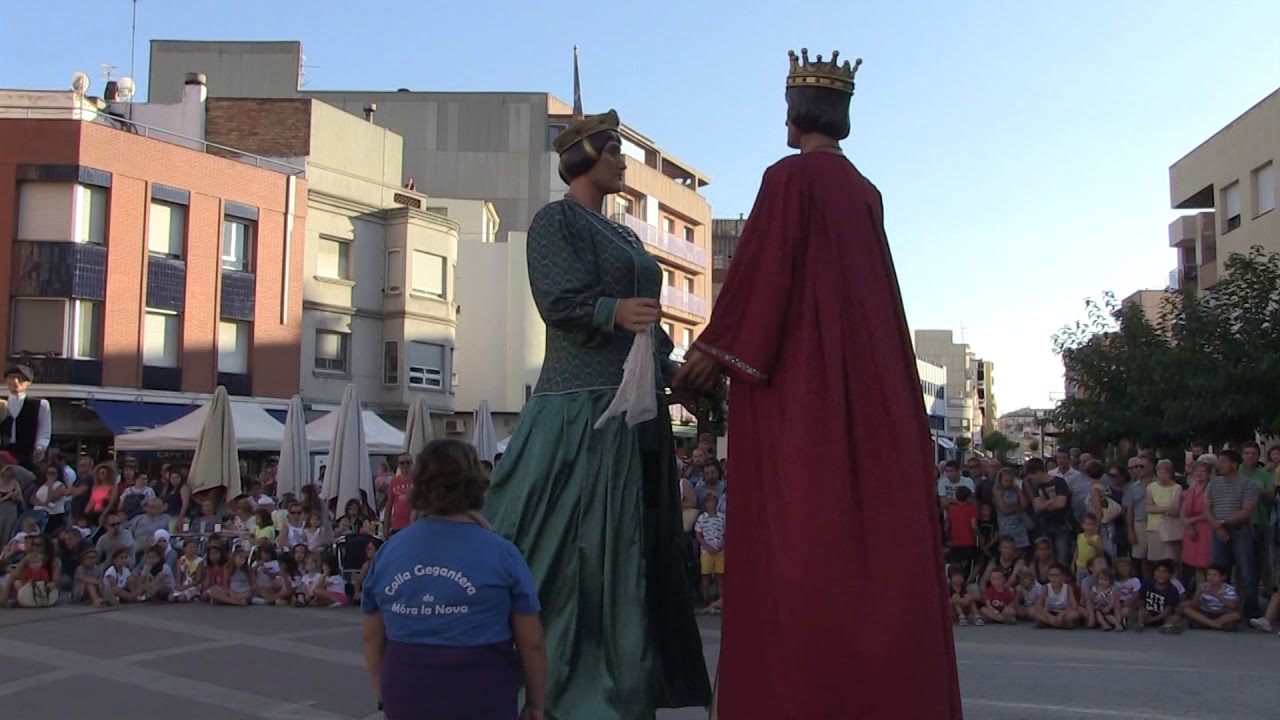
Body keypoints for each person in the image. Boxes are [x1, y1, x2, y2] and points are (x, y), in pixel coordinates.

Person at [673, 49, 961, 719]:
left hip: (803, 382)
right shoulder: (865, 191)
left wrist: (712, 351)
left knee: (797, 537)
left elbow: (764, 274)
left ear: (796, 113)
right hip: (874, 380)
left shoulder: (788, 179)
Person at [480, 104, 711, 718]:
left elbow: (647, 330)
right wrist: (612, 310)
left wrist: (671, 371)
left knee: (635, 546)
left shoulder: (628, 236)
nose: (621, 162)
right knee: (573, 546)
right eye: (612, 152)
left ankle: (631, 675)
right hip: (581, 411)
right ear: (582, 157)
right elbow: (557, 300)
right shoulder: (555, 221)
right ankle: (564, 676)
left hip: (637, 411)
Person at [361, 439, 547, 720]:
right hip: (482, 690)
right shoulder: (503, 554)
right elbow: (531, 643)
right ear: (475, 483)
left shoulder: (389, 553)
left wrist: (384, 695)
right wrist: (535, 704)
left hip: (407, 688)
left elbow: (372, 638)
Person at [1, 365, 51, 471]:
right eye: (11, 378)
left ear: (28, 382)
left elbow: (44, 431)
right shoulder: (2, 404)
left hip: (27, 453)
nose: (15, 382)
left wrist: (40, 447)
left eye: (20, 378)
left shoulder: (40, 404)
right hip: (3, 454)